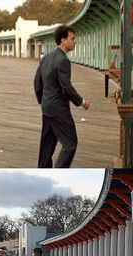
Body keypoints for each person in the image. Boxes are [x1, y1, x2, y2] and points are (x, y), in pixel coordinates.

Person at [34, 25, 90, 168]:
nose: (75, 41)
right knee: (70, 143)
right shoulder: (63, 60)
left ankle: (43, 170)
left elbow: (37, 82)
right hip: (59, 110)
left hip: (47, 107)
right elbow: (66, 87)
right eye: (72, 38)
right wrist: (82, 102)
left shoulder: (46, 58)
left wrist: (43, 100)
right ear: (63, 40)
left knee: (47, 145)